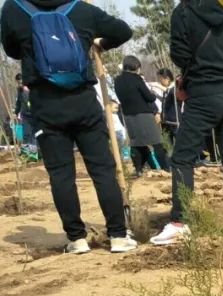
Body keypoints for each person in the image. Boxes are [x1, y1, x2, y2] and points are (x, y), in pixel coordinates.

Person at [0, 0, 136, 254]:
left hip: (44, 102)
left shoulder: (13, 7)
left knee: (61, 174)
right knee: (102, 169)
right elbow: (123, 30)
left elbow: (11, 49)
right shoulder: (81, 8)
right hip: (83, 100)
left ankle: (77, 239)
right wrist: (98, 43)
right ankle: (118, 234)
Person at [151, 0, 223, 246]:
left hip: (204, 93)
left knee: (182, 158)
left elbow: (180, 55)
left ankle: (179, 223)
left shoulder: (182, 12)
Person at [115, 55, 170, 177]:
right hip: (143, 114)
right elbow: (149, 97)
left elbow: (119, 97)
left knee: (136, 143)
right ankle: (166, 168)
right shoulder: (136, 79)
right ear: (135, 66)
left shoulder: (117, 80)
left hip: (128, 115)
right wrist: (153, 94)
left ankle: (138, 169)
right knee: (156, 142)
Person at [12, 72, 34, 148]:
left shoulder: (32, 87)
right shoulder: (19, 90)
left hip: (35, 114)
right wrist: (16, 112)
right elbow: (18, 102)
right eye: (18, 82)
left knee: (34, 134)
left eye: (20, 81)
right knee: (26, 134)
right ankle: (29, 153)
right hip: (25, 115)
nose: (19, 84)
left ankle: (36, 151)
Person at [158, 67, 180, 143]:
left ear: (167, 78)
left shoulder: (174, 88)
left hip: (175, 122)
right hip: (166, 123)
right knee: (168, 144)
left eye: (161, 79)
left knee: (179, 143)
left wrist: (156, 86)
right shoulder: (166, 90)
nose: (160, 81)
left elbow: (172, 93)